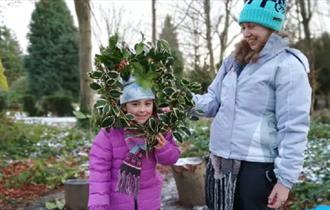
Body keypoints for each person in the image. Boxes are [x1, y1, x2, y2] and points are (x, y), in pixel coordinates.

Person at [192, 0, 312, 210]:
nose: (246, 33)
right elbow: (212, 102)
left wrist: (285, 181)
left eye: (252, 26)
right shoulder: (233, 62)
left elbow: (293, 126)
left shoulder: (287, 65)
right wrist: (179, 100)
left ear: (271, 26)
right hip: (219, 164)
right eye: (244, 27)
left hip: (255, 169)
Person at [88, 77, 181, 210]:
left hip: (149, 201)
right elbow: (99, 173)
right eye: (135, 104)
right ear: (125, 106)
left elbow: (172, 158)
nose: (142, 110)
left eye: (148, 103)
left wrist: (163, 148)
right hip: (118, 202)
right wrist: (98, 205)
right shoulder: (109, 134)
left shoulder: (158, 129)